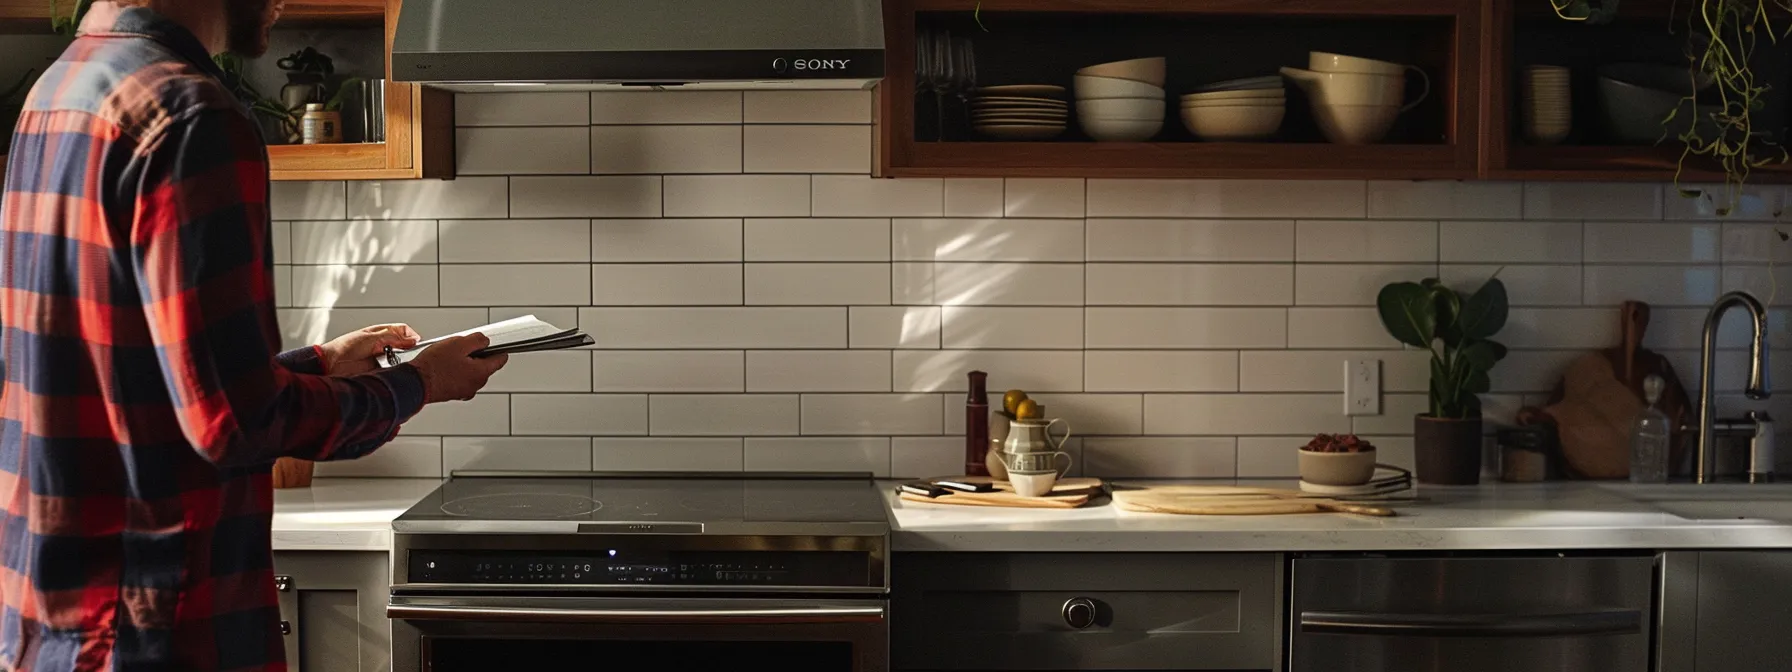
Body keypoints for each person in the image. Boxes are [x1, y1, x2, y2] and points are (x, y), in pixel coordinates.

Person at [0, 0, 508, 668]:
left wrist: (320, 365)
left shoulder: (64, 85)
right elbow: (233, 422)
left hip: (54, 615)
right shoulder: (189, 114)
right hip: (158, 619)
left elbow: (132, 374)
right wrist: (418, 384)